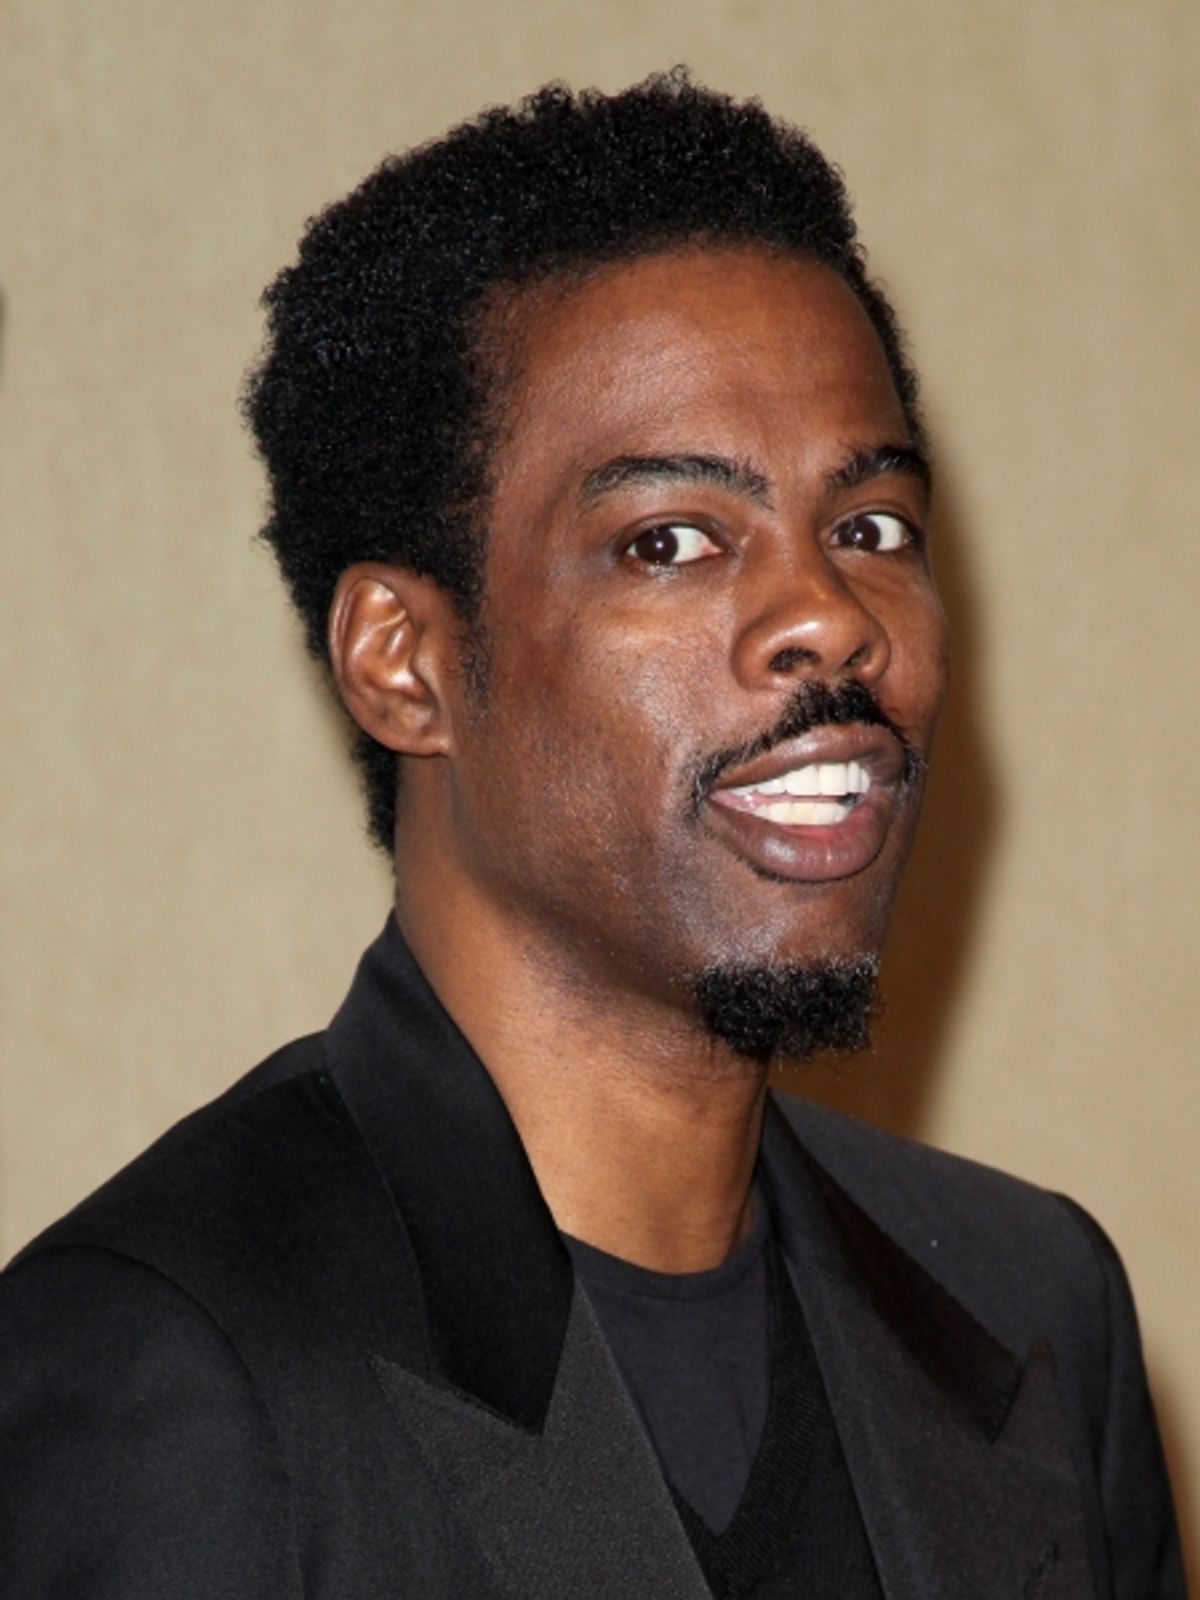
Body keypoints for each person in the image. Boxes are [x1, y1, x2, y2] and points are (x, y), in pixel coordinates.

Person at [0, 71, 1185, 1599]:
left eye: (873, 527)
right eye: (671, 541)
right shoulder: (171, 1363)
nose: (830, 614)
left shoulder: (1036, 1309)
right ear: (404, 662)